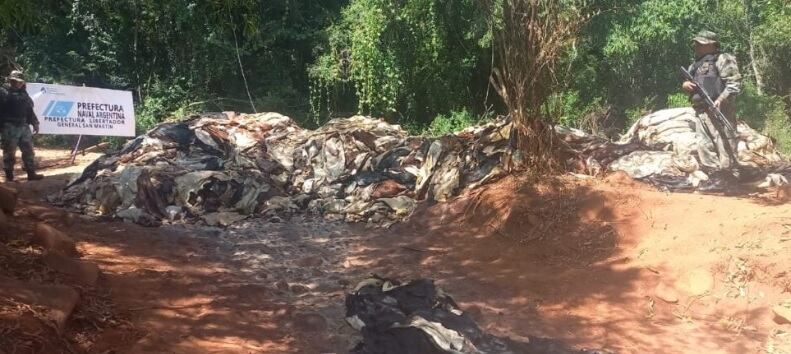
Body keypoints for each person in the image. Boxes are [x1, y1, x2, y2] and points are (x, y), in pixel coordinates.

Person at [681, 30, 742, 172]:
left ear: (711, 44)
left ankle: (730, 178)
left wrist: (721, 99)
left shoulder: (723, 59)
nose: (696, 46)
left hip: (721, 110)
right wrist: (685, 86)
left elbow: (734, 84)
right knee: (704, 146)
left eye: (700, 43)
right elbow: (689, 83)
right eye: (695, 43)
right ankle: (715, 177)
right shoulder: (695, 65)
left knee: (726, 144)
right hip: (701, 111)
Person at [0, 70, 43, 181]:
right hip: (9, 126)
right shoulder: (3, 92)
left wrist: (35, 123)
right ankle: (9, 177)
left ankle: (31, 173)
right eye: (15, 81)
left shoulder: (24, 93)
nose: (18, 83)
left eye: (20, 82)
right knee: (9, 152)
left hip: (24, 126)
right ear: (11, 80)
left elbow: (29, 109)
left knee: (29, 150)